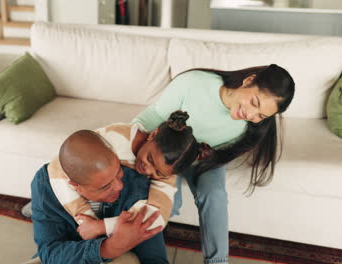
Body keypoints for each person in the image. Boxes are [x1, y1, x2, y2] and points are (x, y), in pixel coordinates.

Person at [132, 64, 295, 264]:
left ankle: (218, 262)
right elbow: (150, 120)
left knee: (214, 194)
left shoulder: (251, 127)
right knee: (170, 202)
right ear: (249, 80)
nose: (252, 116)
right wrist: (125, 148)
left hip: (203, 159)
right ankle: (139, 249)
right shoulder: (193, 83)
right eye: (254, 102)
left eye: (261, 115)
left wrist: (210, 156)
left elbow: (224, 153)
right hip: (169, 154)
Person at [30, 130, 169, 264]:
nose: (119, 186)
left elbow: (154, 257)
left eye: (118, 171)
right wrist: (109, 248)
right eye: (105, 186)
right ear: (75, 185)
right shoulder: (45, 185)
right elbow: (50, 253)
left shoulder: (138, 173)